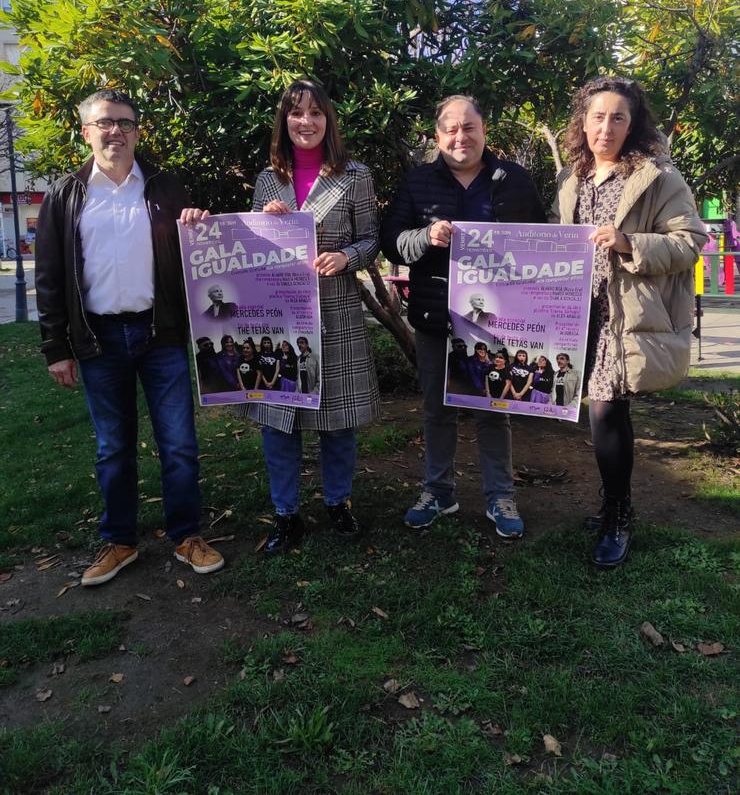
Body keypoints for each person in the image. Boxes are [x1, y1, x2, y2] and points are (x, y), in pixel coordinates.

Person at [35, 89, 224, 585]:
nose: (115, 130)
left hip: (159, 333)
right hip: (97, 340)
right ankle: (119, 541)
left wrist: (197, 224)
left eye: (124, 122)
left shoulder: (164, 186)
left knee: (179, 443)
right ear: (86, 132)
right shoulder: (65, 195)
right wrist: (56, 347)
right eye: (104, 123)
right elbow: (50, 275)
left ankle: (186, 535)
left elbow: (195, 249)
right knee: (112, 448)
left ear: (138, 131)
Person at [552, 77, 706, 568]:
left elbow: (691, 242)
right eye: (598, 116)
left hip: (623, 314)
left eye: (619, 117)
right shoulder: (570, 178)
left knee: (605, 411)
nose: (607, 127)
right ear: (583, 122)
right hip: (578, 314)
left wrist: (629, 243)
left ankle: (618, 514)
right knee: (599, 411)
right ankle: (611, 505)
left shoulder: (658, 177)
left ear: (633, 124)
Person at [381, 94, 546, 538]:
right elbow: (392, 242)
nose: (460, 136)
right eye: (450, 128)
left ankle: (499, 496)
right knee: (438, 409)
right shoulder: (418, 182)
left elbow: (542, 241)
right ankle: (439, 492)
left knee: (495, 408)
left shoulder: (514, 180)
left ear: (484, 130)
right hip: (438, 319)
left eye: (469, 126)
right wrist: (425, 236)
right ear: (438, 136)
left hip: (499, 322)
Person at [250, 79, 380, 554]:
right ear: (284, 121)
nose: (306, 122)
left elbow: (371, 240)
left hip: (337, 312)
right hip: (281, 317)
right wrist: (265, 220)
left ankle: (338, 504)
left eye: (315, 113)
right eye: (296, 113)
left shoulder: (354, 175)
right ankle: (286, 515)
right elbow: (250, 251)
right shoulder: (268, 178)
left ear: (329, 120)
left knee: (337, 420)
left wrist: (347, 256)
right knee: (278, 419)